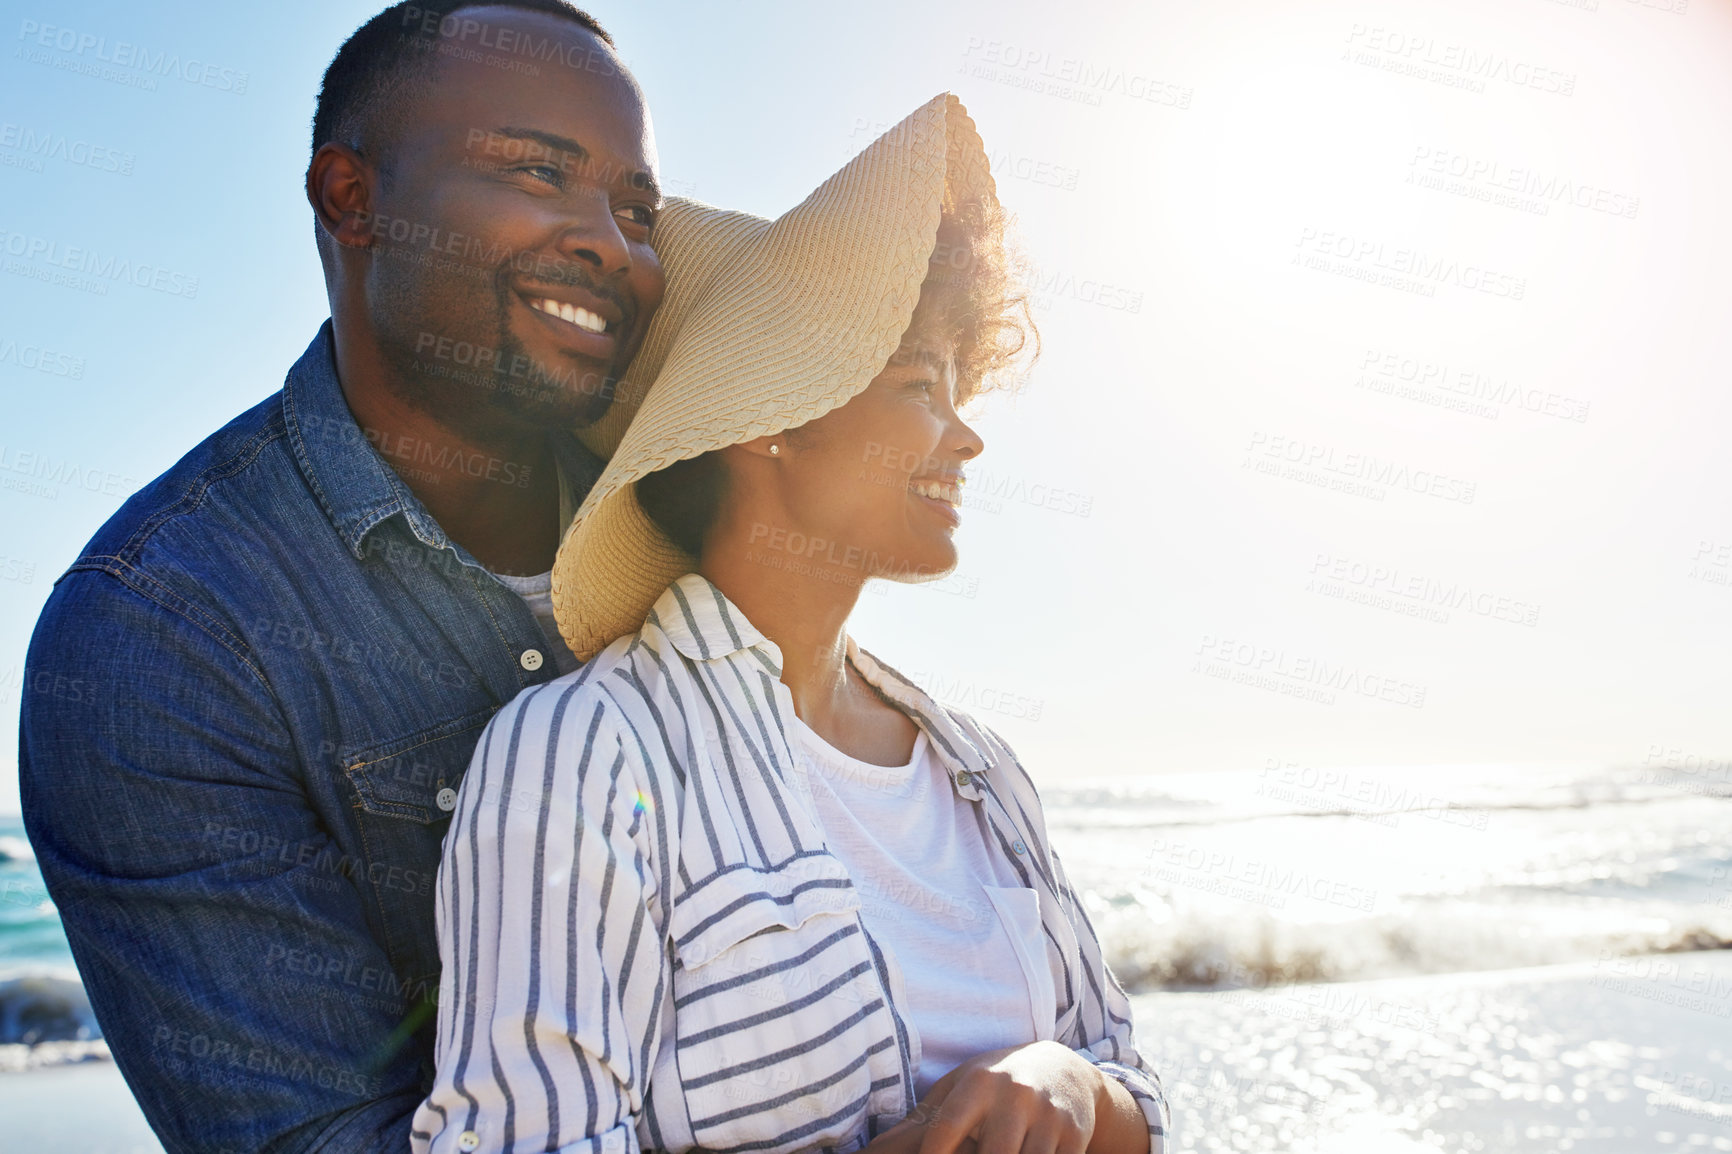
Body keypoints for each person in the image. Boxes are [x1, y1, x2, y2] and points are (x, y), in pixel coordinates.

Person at [416, 94, 1168, 1154]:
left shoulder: (979, 769)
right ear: (770, 416)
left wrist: (1068, 1085)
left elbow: (1134, 1084)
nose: (966, 439)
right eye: (918, 381)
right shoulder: (584, 751)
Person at [17, 3, 666, 1150]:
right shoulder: (158, 634)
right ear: (350, 197)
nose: (611, 243)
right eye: (536, 172)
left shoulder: (710, 502)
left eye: (636, 207)